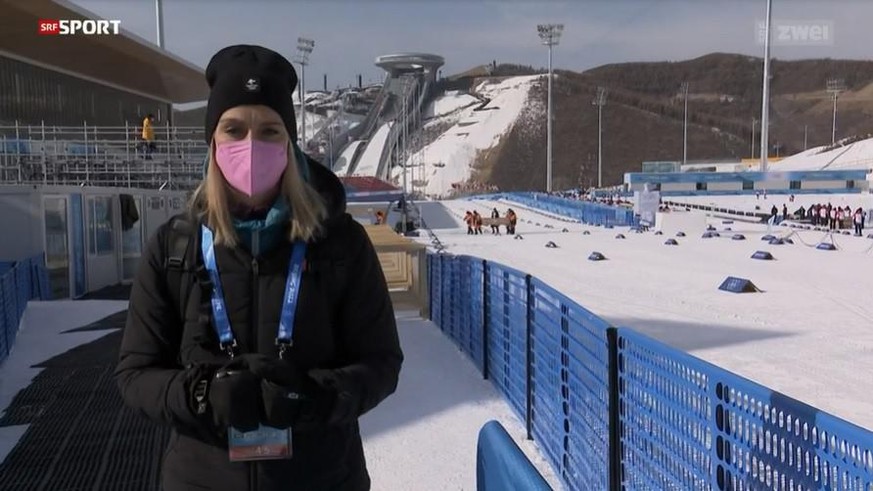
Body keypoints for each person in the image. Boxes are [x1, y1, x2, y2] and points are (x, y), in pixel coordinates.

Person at [115, 45, 403, 491]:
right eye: (234, 129)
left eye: (269, 131)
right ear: (213, 142)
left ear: (289, 146)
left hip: (325, 479)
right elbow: (135, 374)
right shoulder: (175, 247)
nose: (251, 146)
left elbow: (381, 362)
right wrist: (202, 395)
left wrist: (316, 398)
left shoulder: (340, 243)